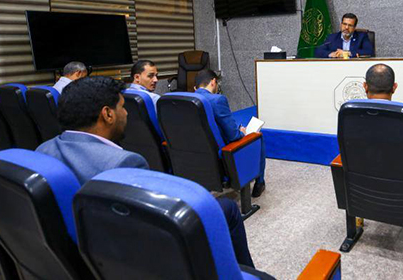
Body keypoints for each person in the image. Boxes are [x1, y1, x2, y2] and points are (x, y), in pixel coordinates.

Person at [36, 76, 255, 268]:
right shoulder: (124, 162)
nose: (126, 113)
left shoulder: (43, 150)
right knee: (227, 208)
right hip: (125, 259)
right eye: (122, 107)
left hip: (79, 256)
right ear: (108, 114)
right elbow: (148, 233)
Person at [195, 69, 267, 198]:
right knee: (257, 137)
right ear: (213, 82)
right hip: (223, 156)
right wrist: (242, 132)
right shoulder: (217, 100)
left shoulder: (187, 100)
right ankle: (259, 183)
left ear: (196, 87)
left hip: (197, 156)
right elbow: (233, 136)